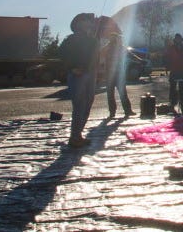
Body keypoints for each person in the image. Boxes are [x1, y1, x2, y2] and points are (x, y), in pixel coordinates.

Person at [58, 13, 100, 148]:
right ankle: (75, 137)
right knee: (80, 105)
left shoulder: (92, 40)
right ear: (78, 24)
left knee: (88, 103)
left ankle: (77, 134)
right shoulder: (71, 40)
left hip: (90, 73)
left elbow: (95, 56)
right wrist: (72, 68)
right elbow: (62, 54)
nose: (90, 23)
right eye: (87, 21)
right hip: (78, 74)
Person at [102, 31, 135, 119]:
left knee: (121, 93)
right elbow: (99, 55)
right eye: (112, 38)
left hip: (117, 74)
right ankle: (113, 112)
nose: (114, 40)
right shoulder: (107, 47)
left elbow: (130, 54)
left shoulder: (120, 47)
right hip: (110, 74)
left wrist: (139, 59)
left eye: (115, 38)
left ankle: (127, 111)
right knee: (111, 94)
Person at [165, 33, 183, 116]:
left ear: (181, 40)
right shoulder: (171, 48)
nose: (178, 41)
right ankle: (172, 106)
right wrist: (167, 67)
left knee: (182, 89)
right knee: (172, 89)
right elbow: (166, 58)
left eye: (179, 39)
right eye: (177, 39)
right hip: (174, 71)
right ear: (175, 40)